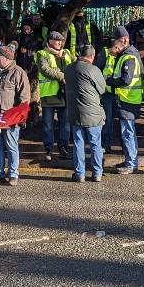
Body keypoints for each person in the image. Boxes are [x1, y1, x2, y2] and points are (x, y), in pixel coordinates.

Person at [0, 43, 31, 186]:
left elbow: (24, 99)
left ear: (7, 58)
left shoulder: (19, 73)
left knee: (11, 146)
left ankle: (13, 174)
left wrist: (18, 117)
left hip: (10, 119)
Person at [64, 45, 107, 183]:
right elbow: (102, 89)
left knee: (78, 143)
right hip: (93, 113)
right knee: (95, 144)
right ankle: (97, 173)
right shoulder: (93, 69)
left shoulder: (69, 68)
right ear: (92, 56)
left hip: (75, 113)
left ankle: (79, 174)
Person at [107, 26, 143, 175]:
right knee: (129, 132)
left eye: (117, 45)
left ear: (125, 41)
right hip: (127, 100)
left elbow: (126, 80)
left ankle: (131, 163)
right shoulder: (127, 55)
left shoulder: (129, 57)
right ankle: (131, 161)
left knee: (128, 133)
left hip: (127, 101)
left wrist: (109, 81)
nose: (115, 48)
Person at [36, 31, 74, 161]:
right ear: (50, 41)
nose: (59, 43)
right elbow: (45, 70)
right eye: (57, 40)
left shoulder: (67, 53)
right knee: (48, 124)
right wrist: (63, 76)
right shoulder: (42, 54)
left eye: (61, 40)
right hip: (49, 95)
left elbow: (75, 65)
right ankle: (48, 149)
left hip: (65, 94)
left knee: (66, 124)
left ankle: (64, 148)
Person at [95, 39, 118, 154]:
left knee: (112, 119)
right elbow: (97, 71)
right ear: (112, 47)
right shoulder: (104, 54)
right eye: (116, 49)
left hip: (117, 92)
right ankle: (105, 144)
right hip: (106, 92)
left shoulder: (119, 54)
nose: (117, 51)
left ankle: (108, 143)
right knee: (107, 119)